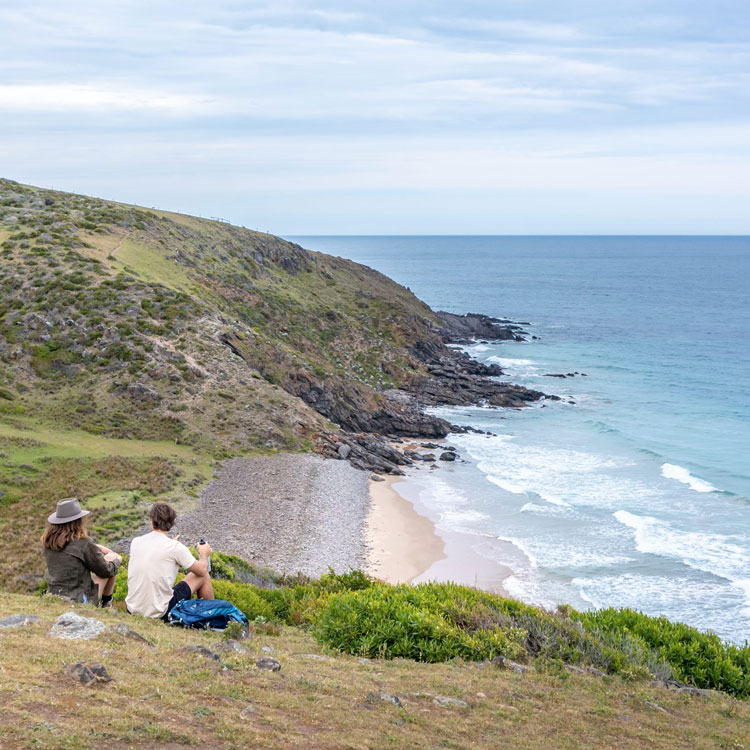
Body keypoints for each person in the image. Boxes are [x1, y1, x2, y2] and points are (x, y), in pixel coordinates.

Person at [126, 501, 214, 620]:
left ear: (151, 521)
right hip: (159, 613)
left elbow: (155, 550)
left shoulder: (136, 542)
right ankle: (210, 619)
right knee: (203, 576)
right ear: (171, 523)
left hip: (132, 609)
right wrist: (203, 554)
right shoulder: (175, 548)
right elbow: (202, 570)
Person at [42, 497, 122, 607]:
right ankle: (107, 603)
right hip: (78, 599)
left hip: (54, 594)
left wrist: (94, 547)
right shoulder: (83, 543)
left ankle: (106, 603)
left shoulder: (48, 542)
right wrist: (117, 560)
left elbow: (69, 551)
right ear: (77, 521)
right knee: (111, 560)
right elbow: (105, 571)